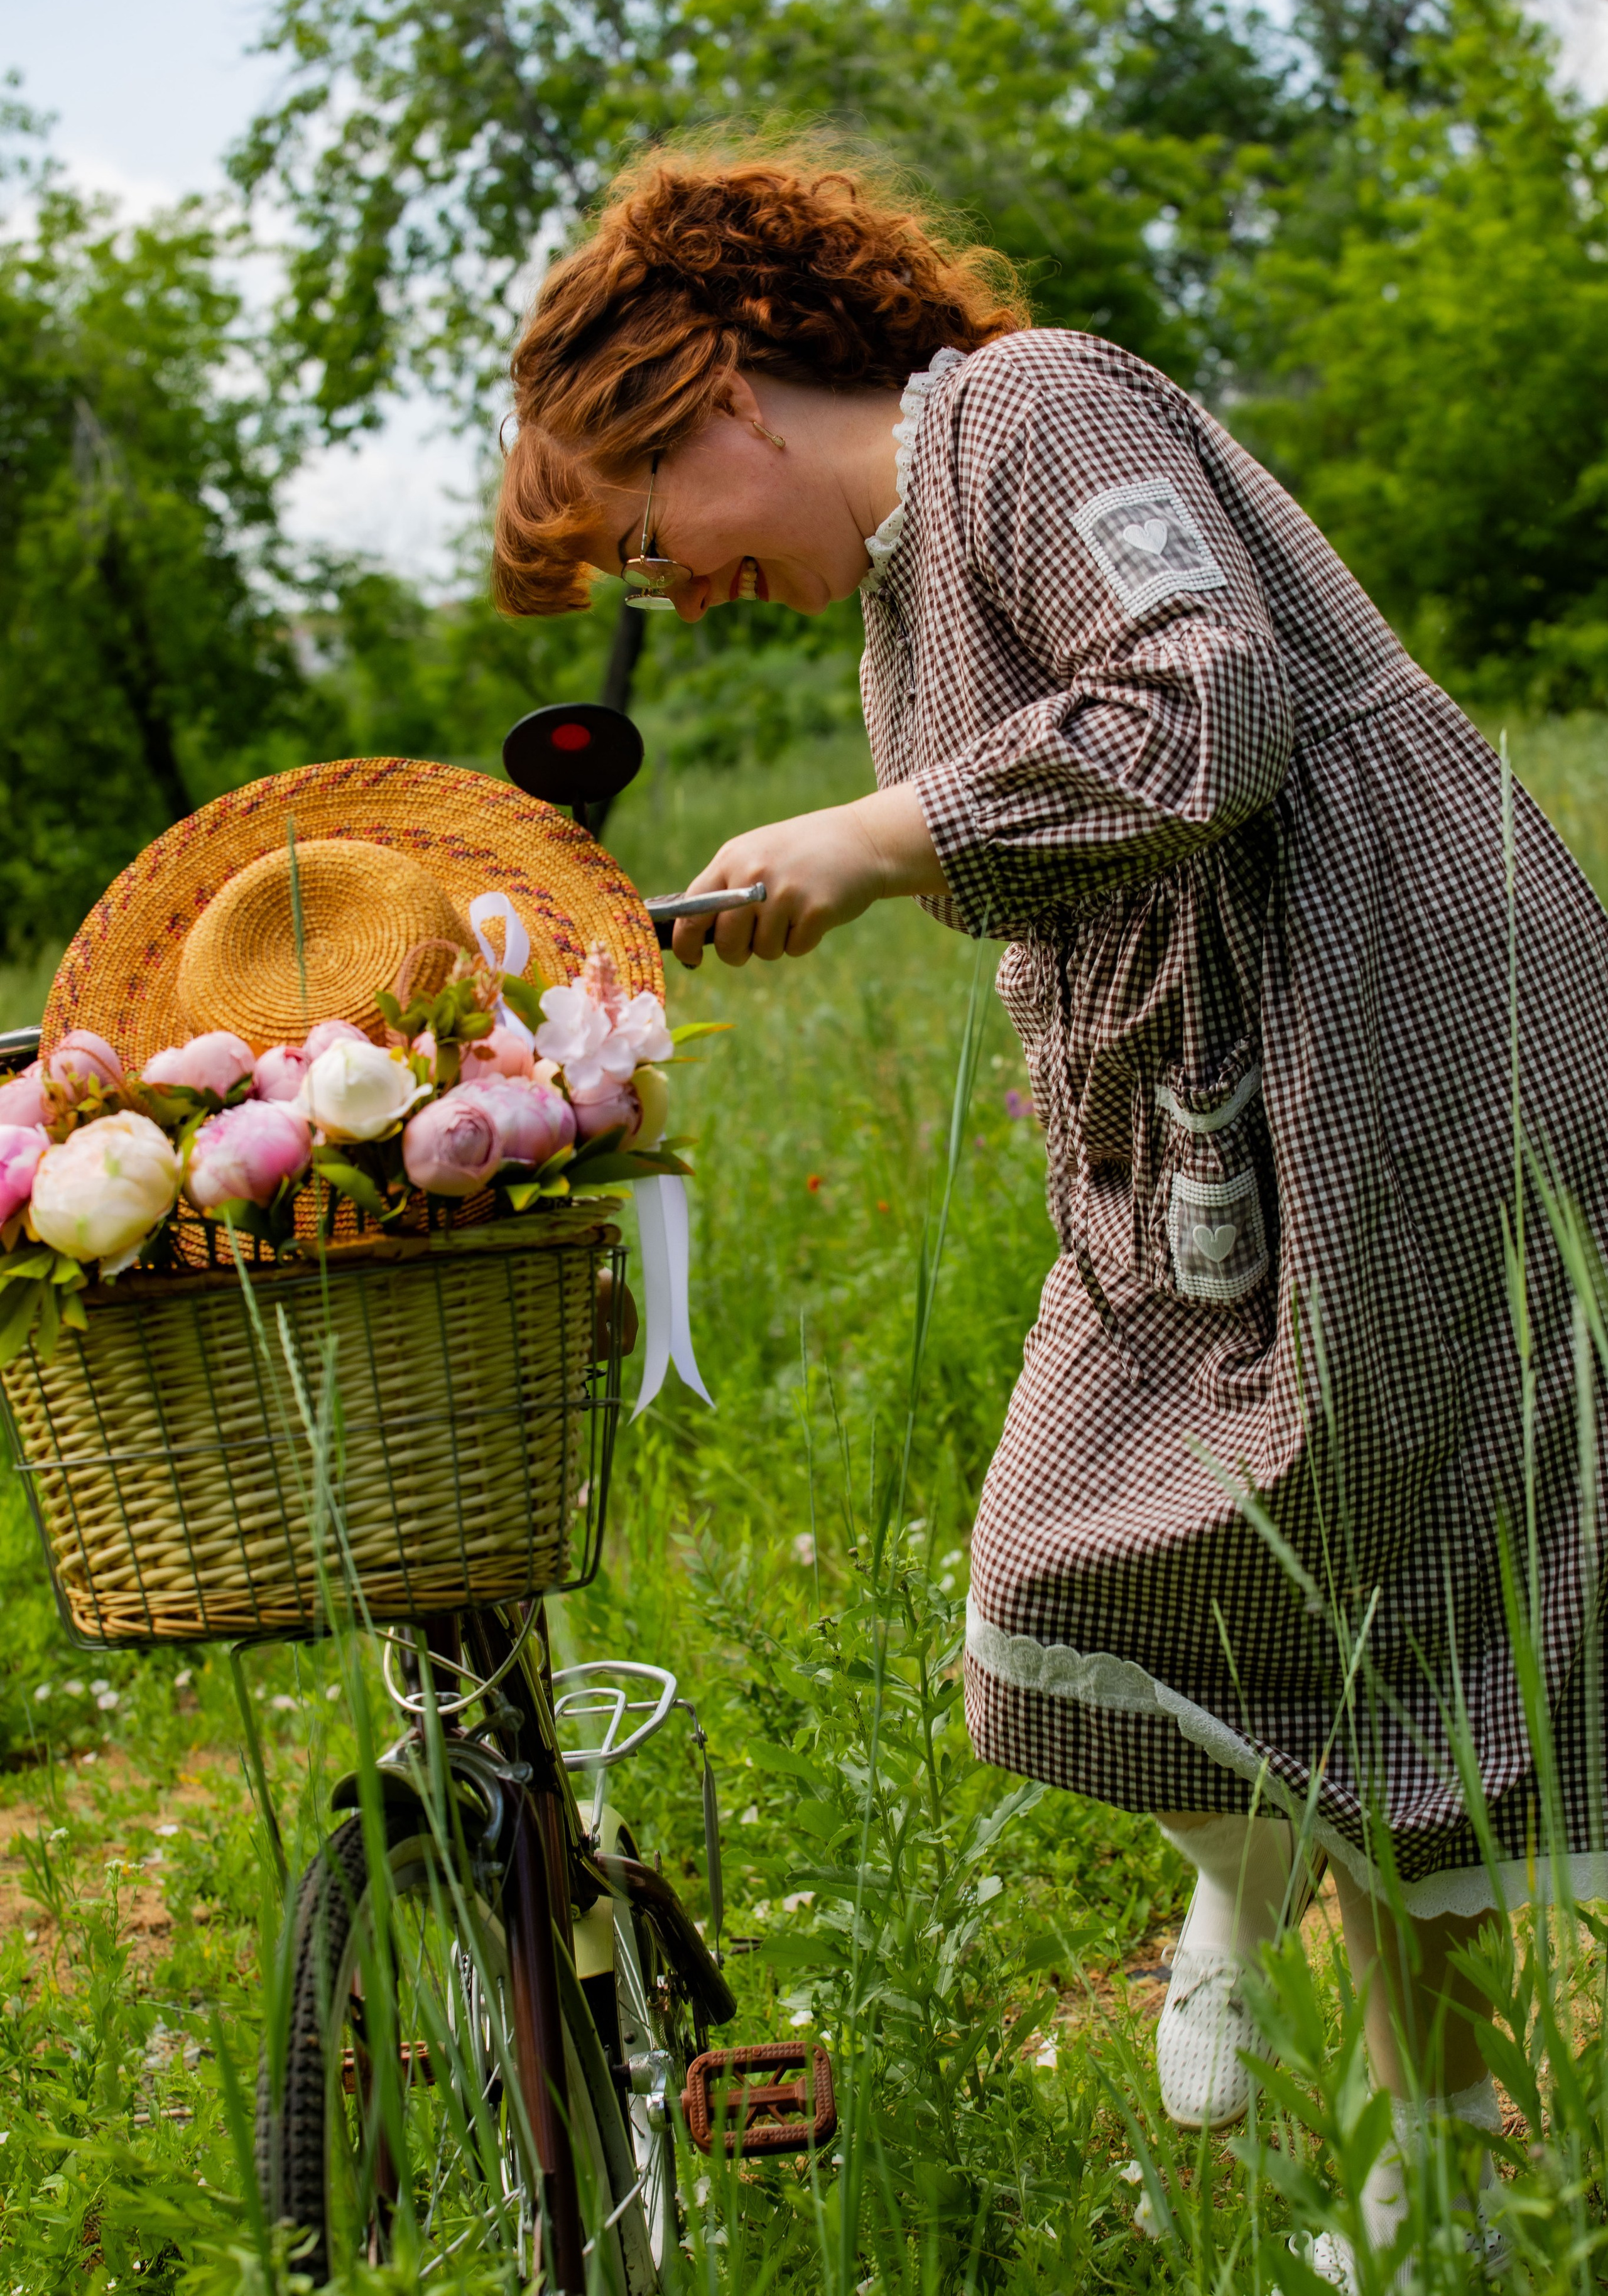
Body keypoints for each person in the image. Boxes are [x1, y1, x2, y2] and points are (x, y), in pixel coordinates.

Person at [491, 148, 1608, 2277]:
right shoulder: (904, 595)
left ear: (723, 390)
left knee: (1390, 1564)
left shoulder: (1028, 408)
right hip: (1219, 1107)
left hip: (1399, 1020)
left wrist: (892, 830)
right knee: (1102, 1560)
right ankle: (1272, 1890)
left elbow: (1216, 700)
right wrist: (856, 859)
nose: (685, 588)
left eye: (661, 538)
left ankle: (1447, 2142)